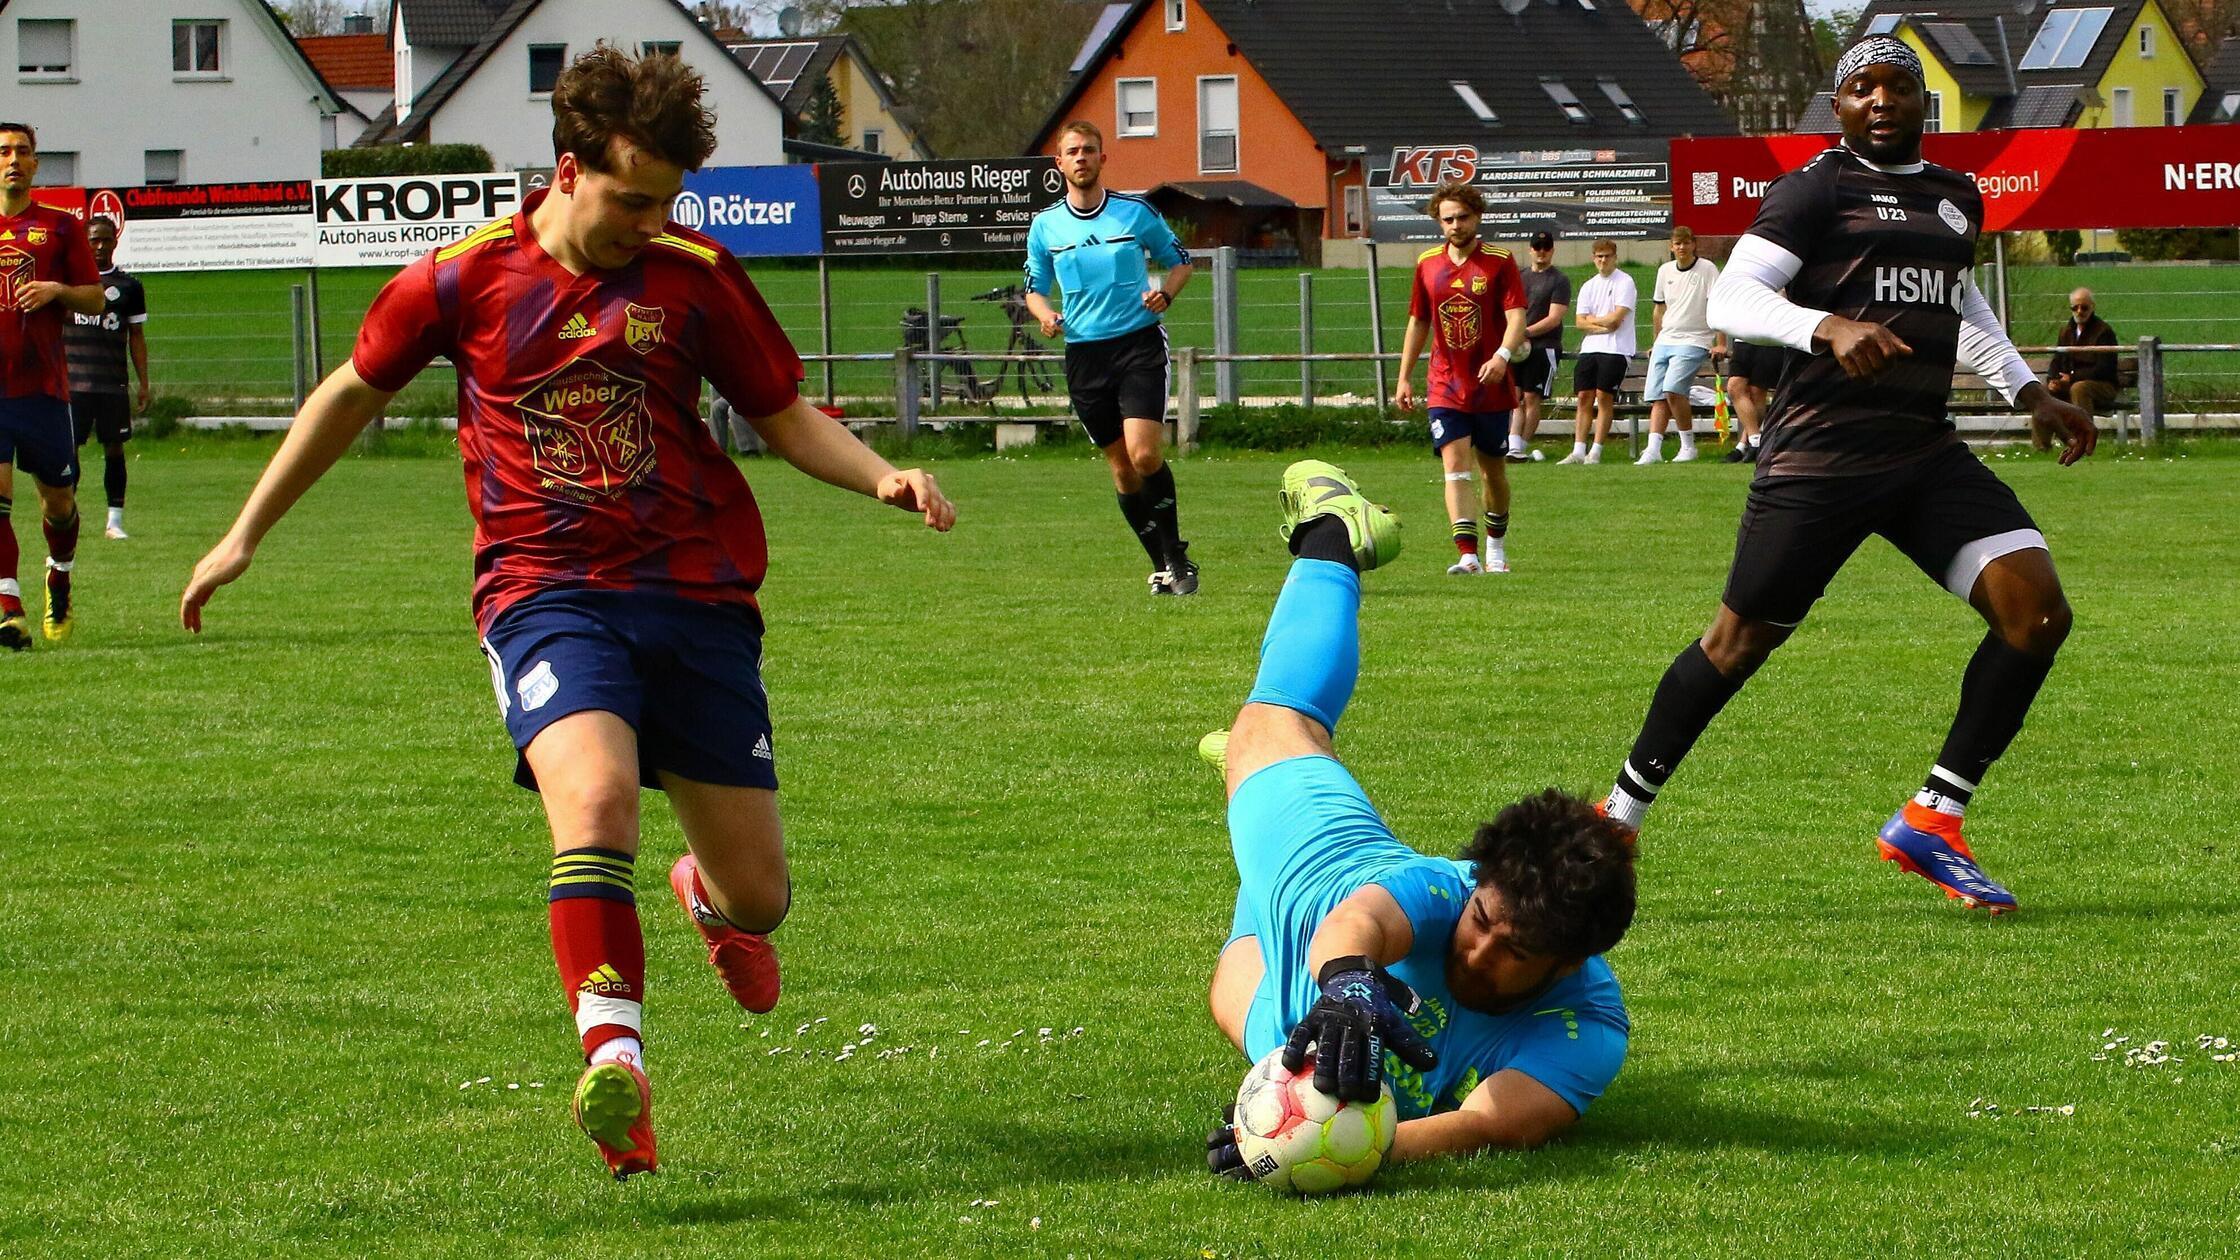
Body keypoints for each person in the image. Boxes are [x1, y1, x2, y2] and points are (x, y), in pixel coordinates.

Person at [178, 48, 955, 1178]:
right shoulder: (460, 280)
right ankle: (616, 1064)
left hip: (696, 598)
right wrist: (244, 533)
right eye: (633, 198)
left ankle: (710, 904)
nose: (652, 220)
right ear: (569, 169)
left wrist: (880, 474)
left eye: (668, 201)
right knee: (591, 803)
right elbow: (348, 393)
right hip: (545, 594)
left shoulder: (694, 275)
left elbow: (784, 416)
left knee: (762, 895)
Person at [1594, 37, 2095, 915]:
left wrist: (2025, 389)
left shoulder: (1953, 196)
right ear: (1841, 103)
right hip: (1822, 454)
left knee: (2037, 611)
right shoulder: (1815, 186)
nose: (1880, 101)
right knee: (1737, 644)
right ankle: (1621, 816)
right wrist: (1828, 328)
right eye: (1861, 88)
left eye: (1896, 87)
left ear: (1920, 103)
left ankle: (1933, 818)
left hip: (1922, 452)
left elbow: (1959, 300)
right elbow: (1737, 297)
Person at [1199, 460, 1634, 1173]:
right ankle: (1336, 534)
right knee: (1274, 722)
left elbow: (1495, 1125)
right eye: (1484, 922)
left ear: (1570, 964)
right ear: (1474, 886)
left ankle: (1253, 789)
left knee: (1231, 992)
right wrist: (1348, 983)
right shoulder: (1443, 886)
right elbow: (1357, 922)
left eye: (1516, 953)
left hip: (1281, 965)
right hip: (1323, 866)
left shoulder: (1588, 1026)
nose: (1479, 954)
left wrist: (1298, 1141)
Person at [1025, 121, 1198, 594]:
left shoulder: (1134, 214)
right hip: (1084, 356)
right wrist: (1044, 315)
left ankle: (1178, 556)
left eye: (1090, 150)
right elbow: (1034, 290)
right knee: (1121, 467)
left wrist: (1166, 295)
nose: (1081, 158)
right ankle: (1161, 563)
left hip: (1137, 346)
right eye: (1072, 151)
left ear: (1104, 159)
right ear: (1059, 164)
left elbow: (1181, 260)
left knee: (1144, 454)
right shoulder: (1045, 227)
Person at [0, 120, 103, 651]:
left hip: (43, 390)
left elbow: (97, 300)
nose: (13, 159)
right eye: (3, 152)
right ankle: (8, 607)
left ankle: (58, 577)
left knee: (57, 503)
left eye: (22, 151)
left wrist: (58, 289)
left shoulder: (61, 228)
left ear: (37, 164)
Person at [1391, 182, 1527, 575]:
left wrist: (1502, 355)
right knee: (1454, 464)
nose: (1455, 225)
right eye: (1447, 218)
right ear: (1439, 221)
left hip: (1490, 385)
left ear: (1477, 217)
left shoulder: (1499, 261)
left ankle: (1496, 548)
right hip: (1445, 383)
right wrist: (1404, 377)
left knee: (1493, 471)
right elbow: (1418, 321)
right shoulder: (1427, 263)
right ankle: (1467, 555)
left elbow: (1517, 316)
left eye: (1462, 217)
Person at [62, 216, 150, 540]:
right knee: (68, 450)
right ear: (85, 242)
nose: (99, 246)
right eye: (94, 240)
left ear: (115, 241)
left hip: (112, 384)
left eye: (105, 239)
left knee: (115, 449)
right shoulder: (68, 282)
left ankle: (114, 522)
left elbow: (137, 336)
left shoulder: (129, 286)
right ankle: (67, 515)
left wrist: (144, 383)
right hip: (73, 383)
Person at [1635, 226, 1724, 464]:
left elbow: (1718, 306)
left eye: (1686, 243)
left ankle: (1688, 446)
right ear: (1671, 246)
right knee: (1658, 396)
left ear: (1693, 244)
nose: (1681, 248)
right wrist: (1656, 340)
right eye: (1677, 244)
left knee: (1673, 390)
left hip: (1695, 339)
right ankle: (1653, 450)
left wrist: (1720, 343)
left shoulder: (1707, 269)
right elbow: (1659, 309)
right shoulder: (1664, 271)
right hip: (1666, 340)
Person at [1557, 241, 1635, 465]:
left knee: (1603, 396)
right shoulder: (1588, 286)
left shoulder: (1625, 282)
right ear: (1593, 258)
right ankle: (1578, 449)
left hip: (1616, 349)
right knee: (1583, 396)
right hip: (1590, 347)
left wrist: (1595, 320)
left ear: (1615, 257)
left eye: (1607, 256)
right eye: (1599, 256)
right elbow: (1580, 322)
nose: (1603, 260)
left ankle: (1596, 450)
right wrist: (1601, 325)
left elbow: (1616, 318)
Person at [1508, 230, 1570, 462]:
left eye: (1546, 247)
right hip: (1517, 346)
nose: (1541, 251)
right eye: (1537, 246)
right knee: (1513, 397)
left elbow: (1554, 317)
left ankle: (1521, 446)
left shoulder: (1559, 280)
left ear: (1552, 250)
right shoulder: (1519, 276)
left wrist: (1524, 333)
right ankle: (1513, 444)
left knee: (1531, 397)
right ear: (1530, 249)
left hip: (1544, 345)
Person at [2041, 287, 2117, 449]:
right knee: (2041, 393)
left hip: (2102, 385)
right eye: (2075, 307)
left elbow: (2105, 368)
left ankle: (2083, 443)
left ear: (2092, 307)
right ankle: (2041, 448)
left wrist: (2073, 377)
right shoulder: (2065, 331)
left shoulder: (2103, 332)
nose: (2079, 311)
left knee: (2079, 388)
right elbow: (2057, 360)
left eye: (2084, 307)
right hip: (2070, 382)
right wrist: (2053, 379)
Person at [1721, 338, 1780, 463]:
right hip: (1742, 339)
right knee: (1734, 386)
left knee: (1756, 393)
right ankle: (1755, 441)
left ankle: (1744, 446)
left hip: (1767, 339)